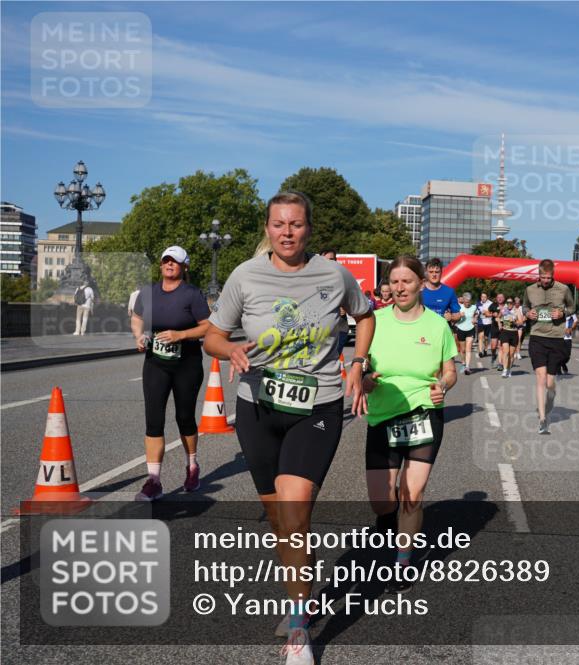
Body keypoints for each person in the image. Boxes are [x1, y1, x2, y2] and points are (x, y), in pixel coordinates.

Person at [204, 191, 374, 665]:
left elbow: (365, 316)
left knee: (296, 514)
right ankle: (305, 585)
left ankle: (299, 628)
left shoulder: (334, 275)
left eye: (296, 224)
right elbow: (214, 336)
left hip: (317, 404)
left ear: (308, 229)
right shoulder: (245, 274)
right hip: (257, 408)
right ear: (267, 227)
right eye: (278, 224)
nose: (286, 232)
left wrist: (357, 364)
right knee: (282, 524)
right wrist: (229, 350)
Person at [362, 256, 457, 594]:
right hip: (383, 413)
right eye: (395, 282)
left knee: (412, 494)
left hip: (423, 413)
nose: (400, 288)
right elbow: (360, 364)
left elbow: (450, 371)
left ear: (420, 283)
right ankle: (387, 521)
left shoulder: (437, 326)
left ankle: (402, 561)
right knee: (381, 500)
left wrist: (442, 386)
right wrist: (365, 379)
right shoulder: (373, 321)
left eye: (407, 281)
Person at [130, 246, 211, 501]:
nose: (169, 264)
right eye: (165, 260)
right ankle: (154, 480)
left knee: (184, 417)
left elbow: (208, 326)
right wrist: (139, 336)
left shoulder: (192, 294)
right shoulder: (148, 292)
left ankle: (192, 466)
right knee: (153, 419)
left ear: (184, 266)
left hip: (186, 362)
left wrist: (181, 335)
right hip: (156, 362)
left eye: (174, 261)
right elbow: (136, 316)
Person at [524, 259, 575, 434]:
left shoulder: (563, 289)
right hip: (537, 337)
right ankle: (543, 419)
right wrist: (527, 313)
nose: (545, 280)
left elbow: (572, 307)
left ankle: (550, 398)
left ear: (553, 275)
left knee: (550, 382)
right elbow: (525, 307)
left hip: (556, 338)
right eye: (542, 277)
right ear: (538, 274)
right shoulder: (530, 290)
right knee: (540, 377)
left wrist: (562, 313)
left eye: (548, 277)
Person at [495, 294, 523, 378]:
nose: (509, 304)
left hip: (514, 333)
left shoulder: (517, 311)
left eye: (511, 303)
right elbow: (498, 317)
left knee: (511, 354)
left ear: (514, 303)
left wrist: (514, 322)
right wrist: (499, 324)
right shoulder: (503, 310)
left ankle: (509, 369)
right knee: (505, 351)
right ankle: (504, 370)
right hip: (505, 332)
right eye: (508, 302)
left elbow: (521, 322)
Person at [455, 292, 478, 375]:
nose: (468, 303)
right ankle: (463, 363)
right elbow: (454, 317)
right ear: (463, 300)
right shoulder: (459, 307)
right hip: (461, 329)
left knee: (468, 348)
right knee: (463, 350)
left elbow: (476, 313)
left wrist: (475, 318)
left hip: (470, 329)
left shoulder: (474, 307)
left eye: (469, 301)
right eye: (466, 302)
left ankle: (467, 367)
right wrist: (459, 316)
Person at [476, 292, 493, 358]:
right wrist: (476, 315)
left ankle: (485, 349)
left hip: (488, 322)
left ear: (487, 297)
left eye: (484, 297)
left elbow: (492, 312)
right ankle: (480, 352)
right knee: (480, 336)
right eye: (482, 297)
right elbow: (476, 312)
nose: (483, 298)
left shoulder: (490, 303)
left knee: (486, 338)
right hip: (480, 322)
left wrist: (487, 313)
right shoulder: (478, 303)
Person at [512, 296, 526, 360]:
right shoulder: (512, 308)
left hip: (521, 325)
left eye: (518, 302)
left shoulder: (522, 308)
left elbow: (526, 317)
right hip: (513, 326)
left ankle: (518, 353)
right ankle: (514, 352)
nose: (517, 304)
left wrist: (520, 322)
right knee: (514, 339)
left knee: (519, 339)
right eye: (515, 302)